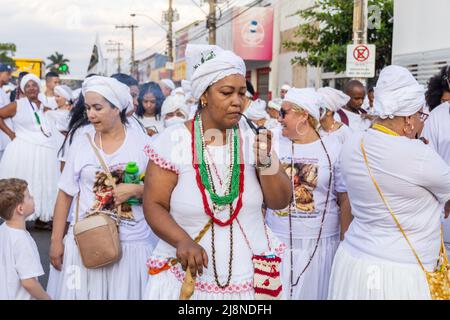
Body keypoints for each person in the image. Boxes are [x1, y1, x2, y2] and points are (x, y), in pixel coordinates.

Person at [143, 44, 292, 300]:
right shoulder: (173, 140)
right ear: (204, 95)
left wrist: (266, 162)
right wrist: (182, 240)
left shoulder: (253, 138)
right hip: (191, 278)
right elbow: (154, 204)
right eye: (226, 92)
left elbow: (280, 202)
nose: (237, 101)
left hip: (251, 280)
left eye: (242, 93)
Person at [328, 65, 450, 300]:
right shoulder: (418, 155)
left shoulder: (353, 143)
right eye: (420, 116)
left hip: (354, 261)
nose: (422, 122)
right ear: (408, 120)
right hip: (399, 274)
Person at [47, 76, 158, 300]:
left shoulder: (143, 144)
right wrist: (56, 241)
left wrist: (137, 190)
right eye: (88, 108)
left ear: (117, 107)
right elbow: (65, 195)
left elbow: (162, 192)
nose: (91, 114)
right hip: (89, 240)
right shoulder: (81, 143)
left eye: (98, 108)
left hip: (132, 243)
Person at [266, 87, 351, 300]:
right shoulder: (272, 143)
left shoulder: (334, 147)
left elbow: (344, 199)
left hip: (320, 247)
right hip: (277, 242)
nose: (279, 118)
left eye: (284, 113)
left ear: (304, 115)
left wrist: (344, 245)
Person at [0, 73, 59, 230]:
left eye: (34, 85)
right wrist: (10, 134)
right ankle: (16, 216)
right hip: (23, 150)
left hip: (44, 150)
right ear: (23, 89)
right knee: (25, 183)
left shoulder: (44, 104)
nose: (31, 88)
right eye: (27, 85)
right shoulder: (17, 104)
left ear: (39, 87)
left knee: (43, 182)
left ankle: (41, 217)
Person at [0, 178, 51, 300]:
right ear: (20, 209)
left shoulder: (3, 229)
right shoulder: (22, 241)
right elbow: (29, 282)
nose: (33, 198)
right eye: (29, 196)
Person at [0, 64, 14, 160]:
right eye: (8, 73)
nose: (10, 76)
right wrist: (10, 133)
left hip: (5, 141)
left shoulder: (2, 91)